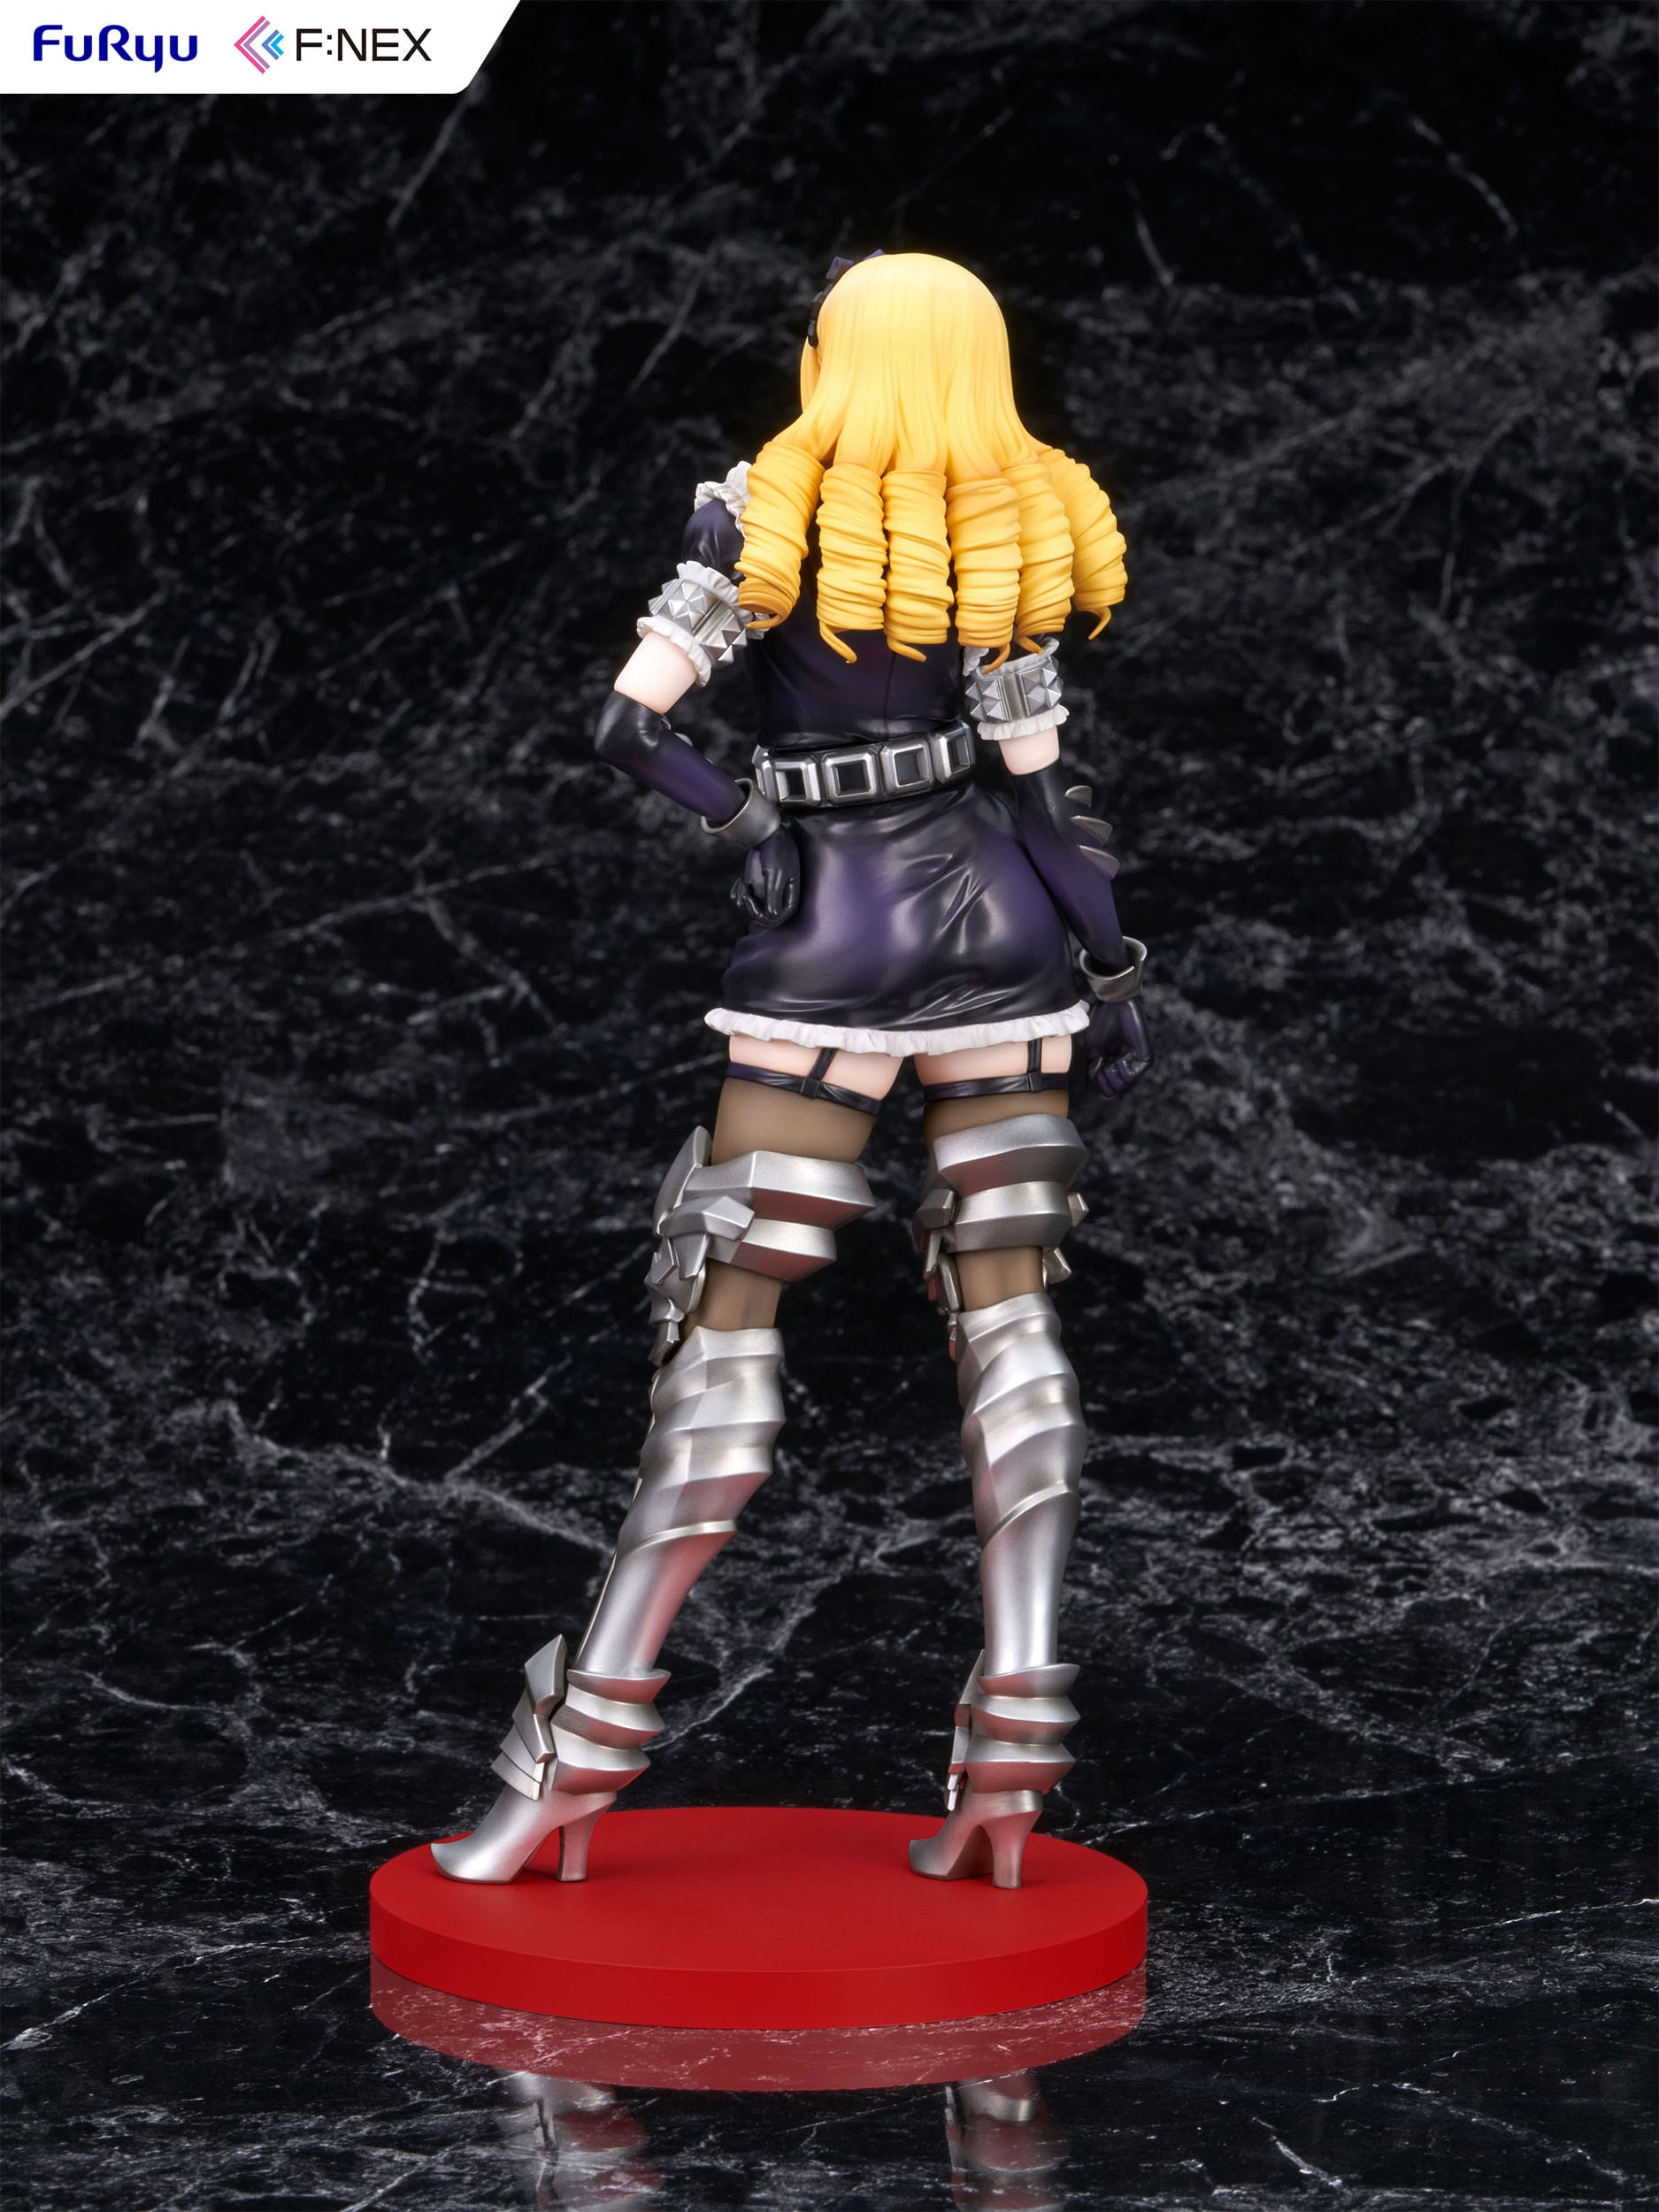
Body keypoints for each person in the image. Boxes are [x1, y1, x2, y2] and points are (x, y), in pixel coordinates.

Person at [433, 251, 1152, 1893]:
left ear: (837, 351)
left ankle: (567, 1769)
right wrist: (1111, 967)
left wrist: (753, 820)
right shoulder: (1009, 518)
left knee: (723, 1329)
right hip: (1010, 943)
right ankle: (1010, 1777)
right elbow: (1046, 802)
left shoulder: (760, 514)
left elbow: (630, 727)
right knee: (1013, 1334)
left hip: (832, 950)